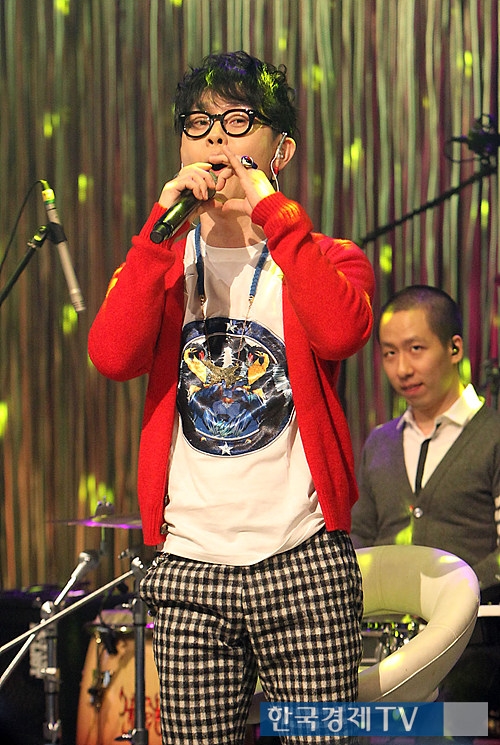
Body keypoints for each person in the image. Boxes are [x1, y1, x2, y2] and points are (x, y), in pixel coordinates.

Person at [88, 51, 375, 745]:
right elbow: (112, 356)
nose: (215, 138)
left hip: (304, 560)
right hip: (189, 567)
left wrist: (274, 214)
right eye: (198, 124)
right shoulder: (158, 263)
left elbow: (341, 332)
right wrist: (158, 232)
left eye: (238, 120)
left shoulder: (327, 257)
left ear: (282, 150)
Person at [351, 284, 500, 732]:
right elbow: (360, 538)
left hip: (473, 648)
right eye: (389, 353)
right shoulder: (380, 442)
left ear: (454, 349)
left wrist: (446, 595)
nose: (402, 368)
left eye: (416, 349)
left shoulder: (492, 433)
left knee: (446, 734)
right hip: (382, 651)